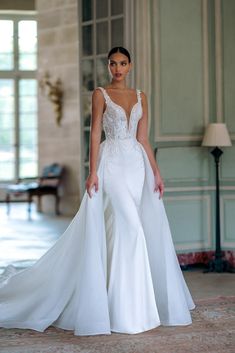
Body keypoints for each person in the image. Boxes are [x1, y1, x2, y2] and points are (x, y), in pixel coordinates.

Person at [0, 47, 195, 336]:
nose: (118, 68)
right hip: (112, 164)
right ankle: (124, 310)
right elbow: (94, 133)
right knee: (131, 227)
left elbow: (142, 138)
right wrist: (92, 171)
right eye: (113, 63)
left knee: (124, 228)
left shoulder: (141, 96)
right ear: (108, 66)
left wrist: (155, 171)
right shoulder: (100, 94)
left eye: (123, 63)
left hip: (136, 165)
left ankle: (129, 304)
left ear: (130, 66)